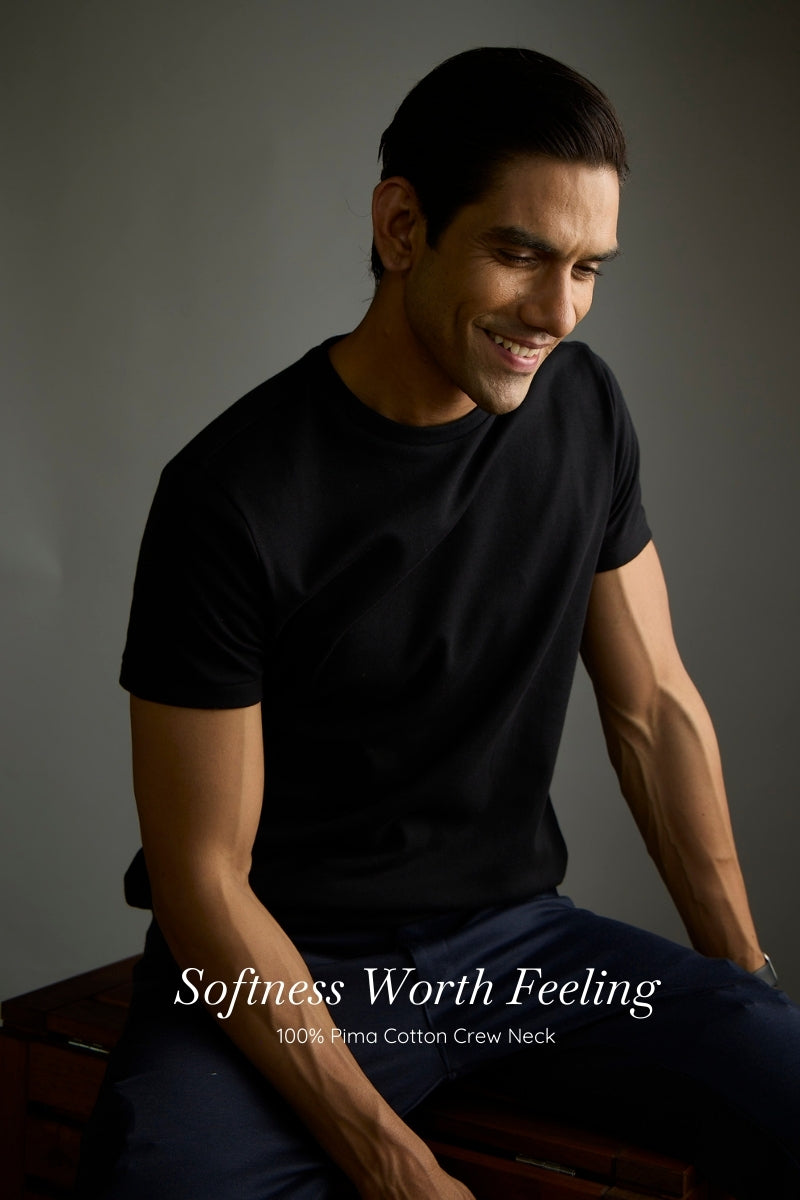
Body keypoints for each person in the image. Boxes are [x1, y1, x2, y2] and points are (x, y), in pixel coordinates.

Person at [77, 47, 800, 1200]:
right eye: (519, 254)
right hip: (282, 970)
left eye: (586, 268)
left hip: (522, 954)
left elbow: (652, 711)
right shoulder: (231, 494)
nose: (556, 311)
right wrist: (394, 1165)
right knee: (162, 1186)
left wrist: (743, 993)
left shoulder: (581, 408)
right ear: (402, 225)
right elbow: (201, 883)